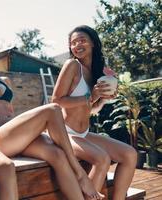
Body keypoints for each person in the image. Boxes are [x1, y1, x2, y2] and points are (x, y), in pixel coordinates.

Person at [0, 47, 104, 200]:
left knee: (57, 154)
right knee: (53, 109)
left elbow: (10, 113)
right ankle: (80, 174)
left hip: (13, 136)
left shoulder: (5, 81)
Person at [52, 25, 137, 200]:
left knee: (130, 154)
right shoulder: (72, 65)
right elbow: (57, 101)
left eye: (82, 40)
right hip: (65, 133)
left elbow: (90, 109)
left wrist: (105, 98)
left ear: (93, 43)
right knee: (102, 159)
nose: (77, 45)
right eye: (73, 43)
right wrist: (91, 96)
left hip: (83, 134)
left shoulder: (96, 72)